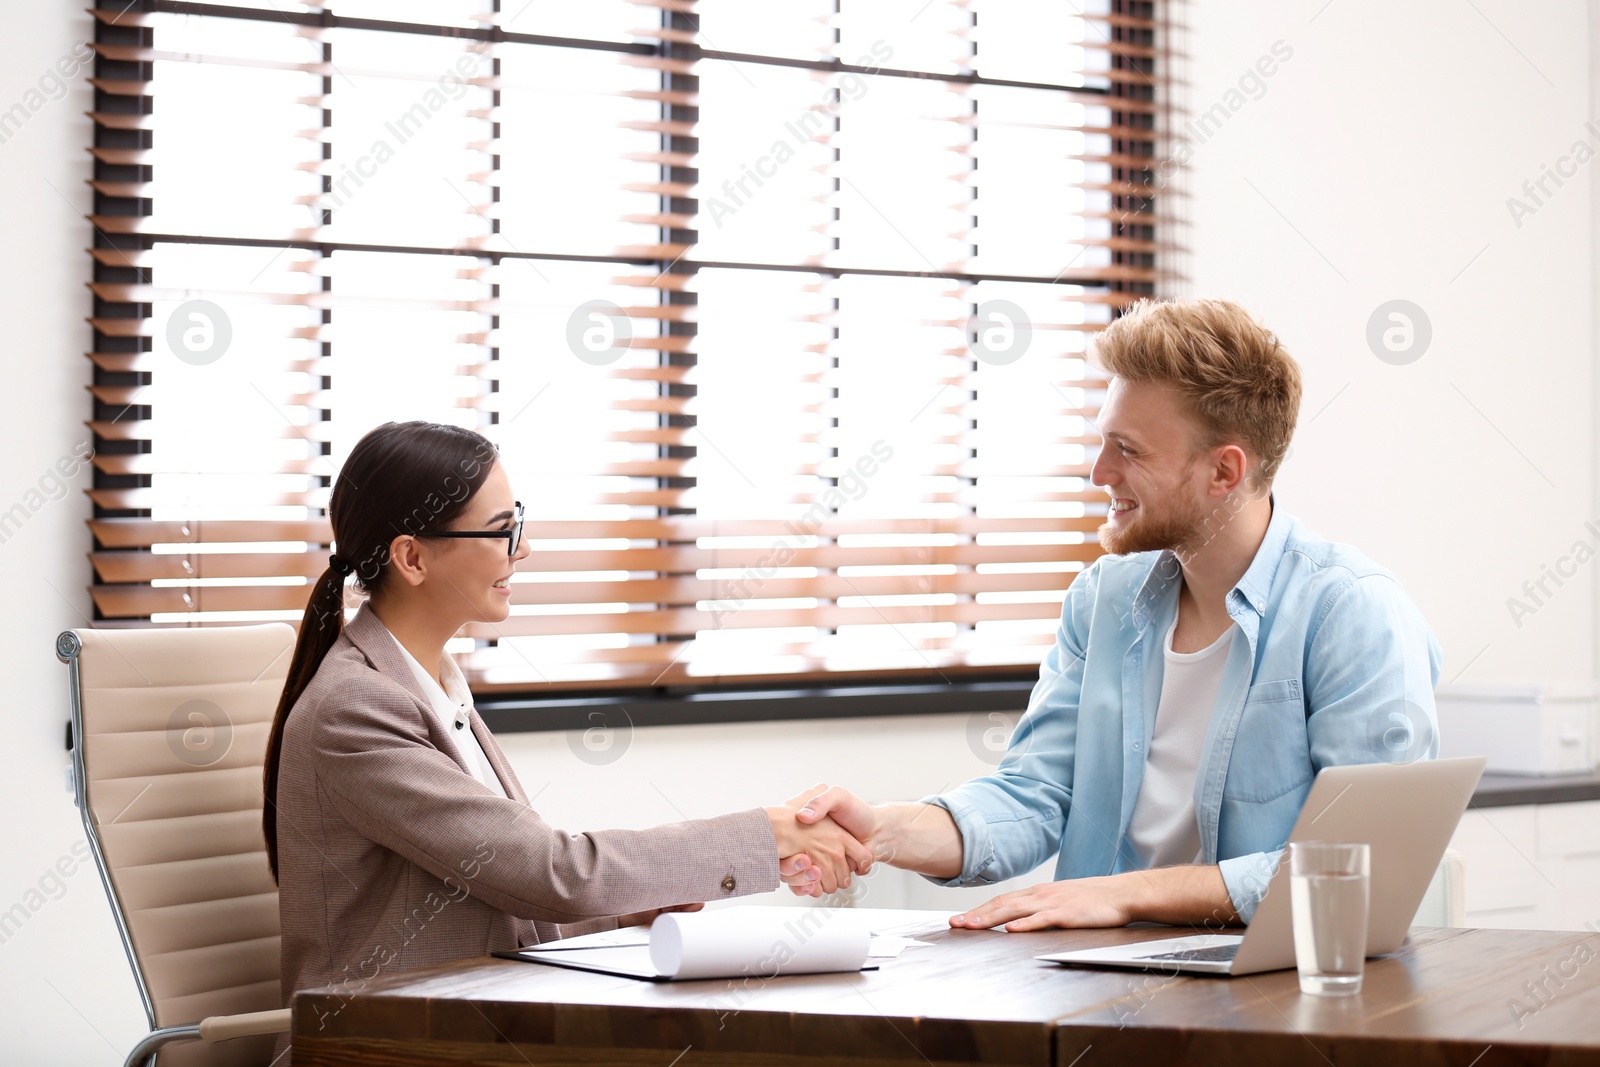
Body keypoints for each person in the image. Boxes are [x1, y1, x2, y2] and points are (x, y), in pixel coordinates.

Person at [790, 298, 1441, 931]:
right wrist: (884, 829)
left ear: (1224, 471)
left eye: (1127, 449)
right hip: (1100, 984)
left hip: (1275, 997)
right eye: (1102, 442)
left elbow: (1363, 869)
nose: (1098, 471)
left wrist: (1130, 894)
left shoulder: (1354, 613)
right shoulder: (1105, 598)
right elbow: (1038, 793)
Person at [263, 421, 868, 1055]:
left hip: (465, 1023)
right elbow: (552, 873)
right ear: (411, 557)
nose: (520, 551)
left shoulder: (430, 684)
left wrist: (632, 911)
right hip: (379, 1045)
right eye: (501, 532)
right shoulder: (357, 709)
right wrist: (765, 833)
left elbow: (508, 891)